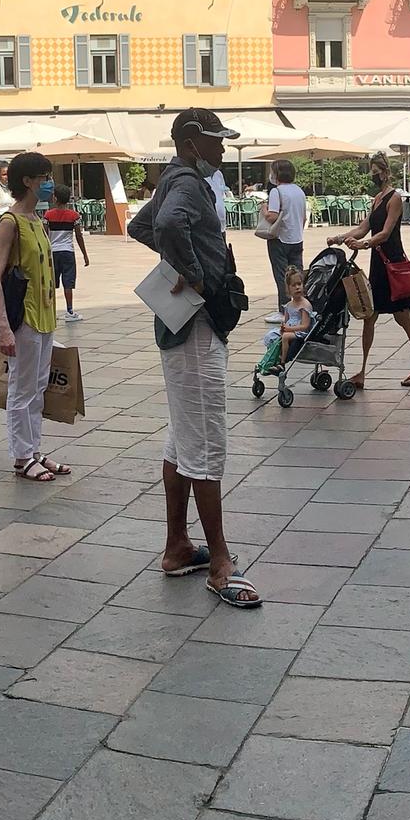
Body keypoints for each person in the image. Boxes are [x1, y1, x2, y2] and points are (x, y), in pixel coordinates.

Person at [129, 108, 258, 610]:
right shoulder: (185, 181)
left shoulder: (172, 177)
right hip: (197, 325)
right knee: (205, 439)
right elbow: (161, 223)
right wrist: (195, 271)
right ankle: (220, 562)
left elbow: (143, 225)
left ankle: (177, 546)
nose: (223, 148)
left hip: (182, 323)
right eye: (216, 140)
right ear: (191, 141)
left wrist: (176, 262)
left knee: (182, 436)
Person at [0, 151, 67, 484]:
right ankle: (21, 456)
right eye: (44, 178)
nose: (49, 184)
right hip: (25, 319)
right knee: (22, 388)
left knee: (37, 387)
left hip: (46, 315)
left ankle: (34, 450)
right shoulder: (11, 222)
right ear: (27, 181)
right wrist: (4, 328)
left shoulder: (38, 220)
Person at [329, 159, 410, 389]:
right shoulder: (377, 199)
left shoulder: (394, 198)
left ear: (386, 173)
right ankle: (363, 371)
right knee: (370, 316)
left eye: (376, 173)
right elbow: (364, 227)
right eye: (372, 173)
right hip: (379, 263)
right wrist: (339, 238)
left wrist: (364, 244)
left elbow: (385, 232)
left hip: (392, 263)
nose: (373, 177)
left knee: (403, 316)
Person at [257, 159, 307, 322]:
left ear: (277, 174)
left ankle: (283, 309)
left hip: (280, 239)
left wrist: (264, 209)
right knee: (297, 275)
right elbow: (303, 216)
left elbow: (273, 216)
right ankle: (300, 306)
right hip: (297, 238)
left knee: (282, 275)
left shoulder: (276, 192)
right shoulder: (299, 191)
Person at [42, 182, 88, 320]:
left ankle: (51, 311)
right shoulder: (74, 216)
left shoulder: (47, 215)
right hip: (68, 252)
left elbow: (44, 235)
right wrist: (85, 255)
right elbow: (79, 236)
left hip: (52, 253)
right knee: (68, 283)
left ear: (55, 198)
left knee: (51, 283)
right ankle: (69, 311)